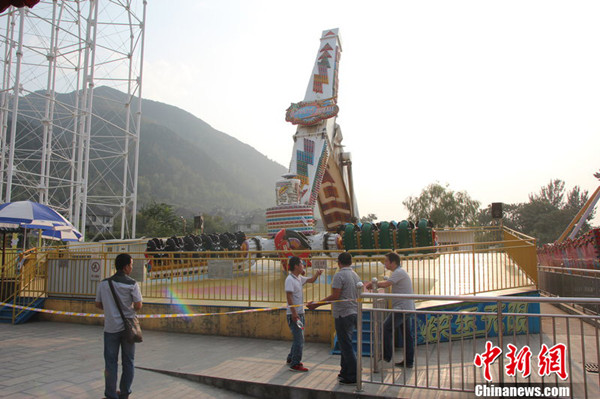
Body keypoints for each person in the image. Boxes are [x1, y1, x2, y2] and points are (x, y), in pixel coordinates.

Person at [308, 252, 361, 385]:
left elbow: (335, 296)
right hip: (353, 312)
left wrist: (317, 304)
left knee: (346, 346)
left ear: (339, 262)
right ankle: (345, 372)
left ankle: (354, 375)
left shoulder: (340, 275)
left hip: (343, 314)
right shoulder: (355, 275)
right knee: (345, 344)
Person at [95, 254, 143, 399]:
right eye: (131, 265)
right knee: (128, 361)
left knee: (110, 362)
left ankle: (110, 394)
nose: (131, 267)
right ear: (126, 266)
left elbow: (98, 304)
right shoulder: (132, 284)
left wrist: (111, 309)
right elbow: (138, 305)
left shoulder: (104, 284)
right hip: (128, 329)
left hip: (110, 328)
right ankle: (124, 393)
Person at [365, 252, 415, 368]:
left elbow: (387, 284)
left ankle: (387, 355)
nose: (385, 263)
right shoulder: (399, 272)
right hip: (406, 307)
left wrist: (373, 284)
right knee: (407, 335)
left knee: (386, 327)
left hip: (402, 308)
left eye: (386, 261)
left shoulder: (398, 272)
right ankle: (408, 361)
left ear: (393, 263)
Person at [285, 256, 323, 372]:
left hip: (300, 313)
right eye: (301, 264)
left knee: (298, 337)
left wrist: (317, 274)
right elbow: (289, 297)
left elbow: (310, 280)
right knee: (299, 339)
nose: (303, 266)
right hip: (295, 314)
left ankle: (291, 358)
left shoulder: (298, 278)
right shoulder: (290, 280)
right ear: (296, 266)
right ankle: (295, 364)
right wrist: (294, 313)